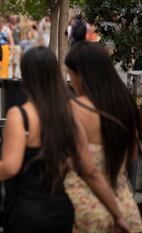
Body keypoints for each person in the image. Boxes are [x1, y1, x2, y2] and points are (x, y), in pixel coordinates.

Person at [0, 47, 130, 233]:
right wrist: (118, 215)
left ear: (26, 77)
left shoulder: (20, 115)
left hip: (26, 212)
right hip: (61, 212)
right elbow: (91, 172)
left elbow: (10, 166)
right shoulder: (69, 116)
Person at [64, 41, 142, 232]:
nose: (71, 81)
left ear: (81, 75)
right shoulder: (126, 105)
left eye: (71, 74)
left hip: (85, 210)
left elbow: (88, 171)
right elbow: (133, 157)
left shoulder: (74, 109)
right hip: (126, 207)